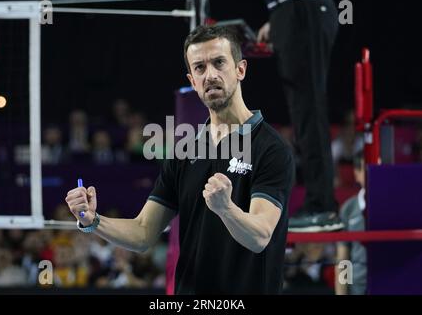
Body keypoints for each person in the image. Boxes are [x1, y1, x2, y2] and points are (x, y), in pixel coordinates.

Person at [65, 25, 294, 294]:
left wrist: (225, 209)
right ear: (192, 80)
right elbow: (142, 233)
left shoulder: (271, 148)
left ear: (240, 69)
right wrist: (92, 220)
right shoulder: (185, 149)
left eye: (219, 62)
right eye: (199, 68)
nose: (210, 75)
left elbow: (260, 236)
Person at [257, 0, 343, 231]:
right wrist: (278, 16)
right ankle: (321, 204)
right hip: (292, 10)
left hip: (301, 9)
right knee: (305, 112)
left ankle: (322, 207)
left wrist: (286, 12)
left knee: (309, 111)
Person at [335, 150, 367, 295]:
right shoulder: (348, 209)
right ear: (357, 173)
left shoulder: (394, 205)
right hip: (357, 289)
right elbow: (343, 259)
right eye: (367, 170)